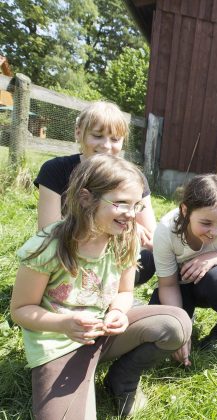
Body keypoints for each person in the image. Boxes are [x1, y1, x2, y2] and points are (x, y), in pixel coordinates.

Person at [10, 155, 191, 420]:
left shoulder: (125, 237)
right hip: (59, 344)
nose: (131, 214)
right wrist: (64, 323)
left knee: (176, 323)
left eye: (136, 205)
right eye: (120, 203)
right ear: (86, 198)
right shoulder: (49, 246)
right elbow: (21, 310)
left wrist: (118, 311)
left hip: (104, 334)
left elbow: (125, 292)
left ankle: (122, 379)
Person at [34, 101, 157, 285]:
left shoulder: (133, 177)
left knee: (148, 259)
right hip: (70, 250)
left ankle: (112, 290)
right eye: (98, 136)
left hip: (114, 252)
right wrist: (124, 229)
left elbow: (150, 236)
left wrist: (132, 229)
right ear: (78, 132)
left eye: (115, 139)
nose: (106, 146)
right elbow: (48, 231)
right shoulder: (55, 170)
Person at [149, 174, 217, 362]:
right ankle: (186, 318)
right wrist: (179, 328)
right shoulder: (165, 230)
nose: (215, 232)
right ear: (185, 211)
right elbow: (168, 285)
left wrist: (215, 257)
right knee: (156, 330)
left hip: (211, 284)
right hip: (177, 285)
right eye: (206, 223)